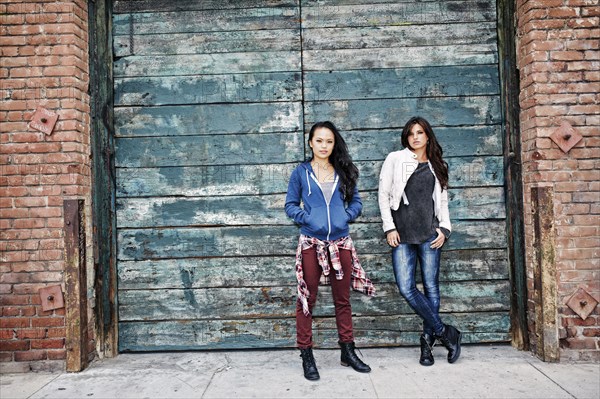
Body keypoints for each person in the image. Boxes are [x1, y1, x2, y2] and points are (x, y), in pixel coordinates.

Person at [285, 121, 375, 381]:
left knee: (342, 299)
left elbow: (356, 201)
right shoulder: (300, 173)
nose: (324, 145)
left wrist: (344, 217)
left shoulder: (343, 171)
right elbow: (290, 205)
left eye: (329, 141)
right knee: (306, 300)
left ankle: (347, 351)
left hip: (340, 243)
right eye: (319, 140)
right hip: (311, 243)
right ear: (310, 142)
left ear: (334, 144)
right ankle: (306, 355)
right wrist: (308, 219)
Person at [378, 116, 462, 366]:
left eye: (420, 133)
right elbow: (383, 195)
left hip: (429, 234)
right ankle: (445, 332)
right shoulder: (396, 158)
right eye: (411, 133)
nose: (415, 137)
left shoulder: (437, 164)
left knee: (431, 287)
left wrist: (445, 229)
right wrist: (389, 228)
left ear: (428, 136)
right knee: (406, 288)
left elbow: (442, 201)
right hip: (402, 234)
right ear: (406, 137)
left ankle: (427, 343)